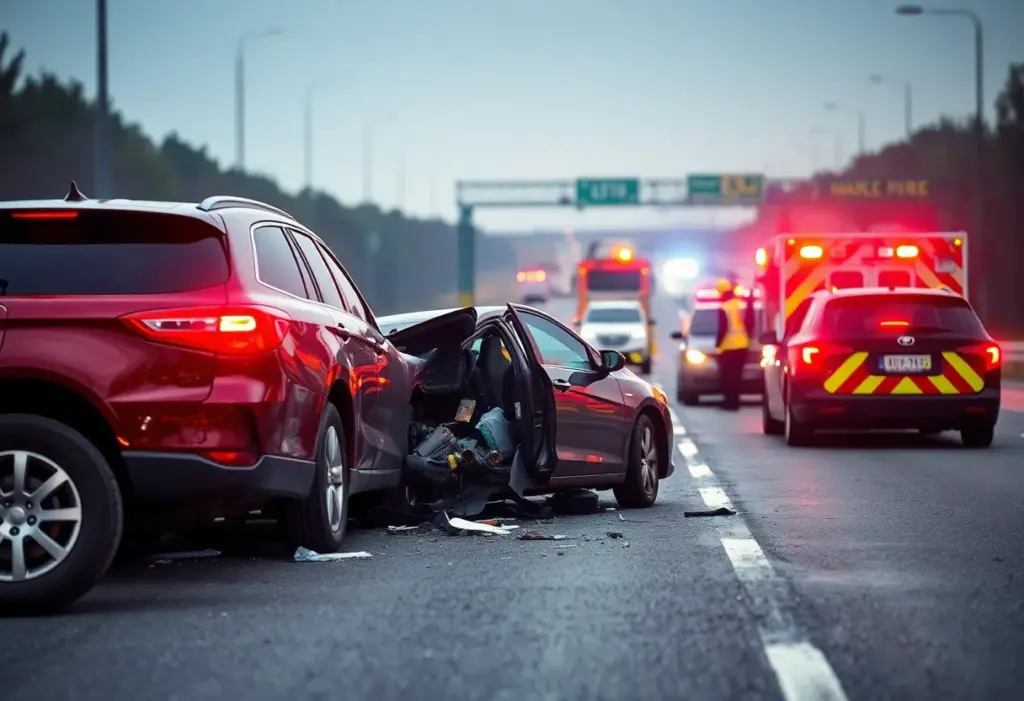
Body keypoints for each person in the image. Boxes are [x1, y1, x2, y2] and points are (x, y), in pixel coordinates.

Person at [714, 278, 753, 411]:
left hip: (728, 347)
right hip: (743, 346)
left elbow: (722, 329)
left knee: (727, 377)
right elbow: (750, 323)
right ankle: (735, 402)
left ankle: (729, 403)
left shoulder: (724, 308)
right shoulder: (741, 304)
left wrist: (718, 345)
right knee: (737, 376)